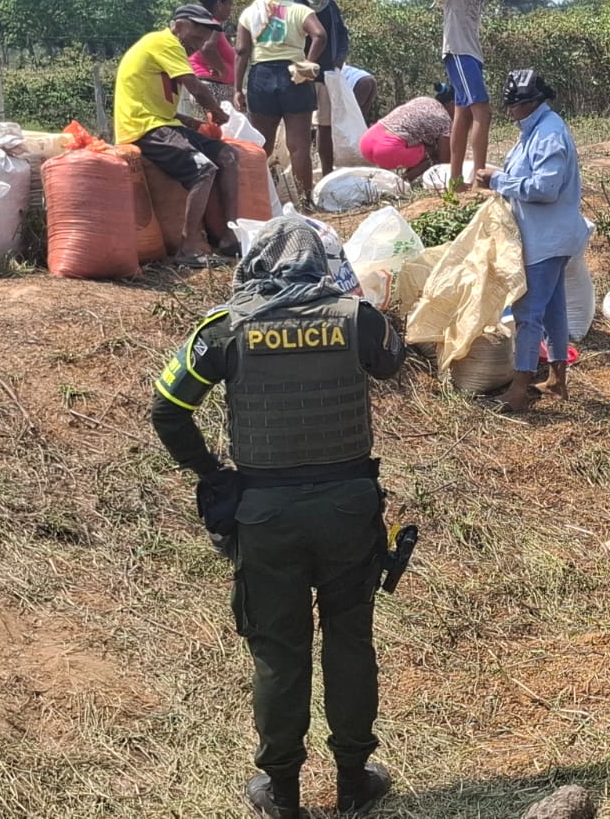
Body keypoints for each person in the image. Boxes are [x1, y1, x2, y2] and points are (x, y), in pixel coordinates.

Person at [149, 216, 406, 819]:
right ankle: (352, 782)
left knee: (277, 649)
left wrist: (213, 474)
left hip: (265, 513)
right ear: (321, 263)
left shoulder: (227, 327)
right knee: (349, 638)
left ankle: (282, 793)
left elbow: (168, 409)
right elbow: (391, 361)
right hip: (347, 507)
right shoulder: (355, 318)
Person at [475, 70, 589, 413]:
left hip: (546, 238)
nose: (510, 113)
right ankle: (557, 382)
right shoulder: (535, 131)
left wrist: (500, 181)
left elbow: (546, 188)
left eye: (514, 106)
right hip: (546, 237)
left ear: (530, 103)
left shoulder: (549, 134)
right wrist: (503, 176)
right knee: (554, 310)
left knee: (527, 314)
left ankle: (519, 390)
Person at [114, 4, 241, 267]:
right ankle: (189, 245)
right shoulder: (165, 43)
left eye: (204, 40)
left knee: (228, 155)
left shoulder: (169, 49)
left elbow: (158, 103)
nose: (198, 46)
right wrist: (217, 112)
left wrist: (192, 123)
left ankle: (229, 235)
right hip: (143, 128)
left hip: (162, 123)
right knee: (203, 170)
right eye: (196, 38)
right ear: (180, 26)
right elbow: (196, 88)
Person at [236, 0, 328, 210]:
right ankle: (306, 202)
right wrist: (308, 63)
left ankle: (256, 201)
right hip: (294, 76)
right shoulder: (299, 10)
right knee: (298, 146)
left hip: (260, 78)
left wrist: (237, 88)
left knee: (261, 146)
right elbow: (319, 34)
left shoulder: (249, 13)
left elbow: (242, 51)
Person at [428, 0, 506, 192]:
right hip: (460, 55)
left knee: (462, 116)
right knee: (482, 113)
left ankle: (456, 182)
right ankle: (480, 181)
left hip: (469, 57)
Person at [298, 0, 352, 176]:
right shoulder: (295, 4)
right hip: (299, 72)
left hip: (325, 73)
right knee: (299, 124)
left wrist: (339, 58)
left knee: (324, 125)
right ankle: (301, 173)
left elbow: (342, 33)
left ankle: (327, 172)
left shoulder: (330, 5)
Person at [359, 85, 455, 179]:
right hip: (387, 150)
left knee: (418, 144)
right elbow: (444, 163)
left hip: (367, 142)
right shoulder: (445, 120)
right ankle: (402, 183)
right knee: (435, 155)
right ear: (452, 104)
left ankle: (384, 181)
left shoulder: (423, 100)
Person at [182, 0, 237, 121]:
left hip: (209, 85)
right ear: (219, 4)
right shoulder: (213, 24)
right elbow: (207, 48)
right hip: (214, 88)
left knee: (209, 131)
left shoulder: (204, 23)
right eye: (229, 4)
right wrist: (222, 70)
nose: (231, 8)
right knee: (215, 134)